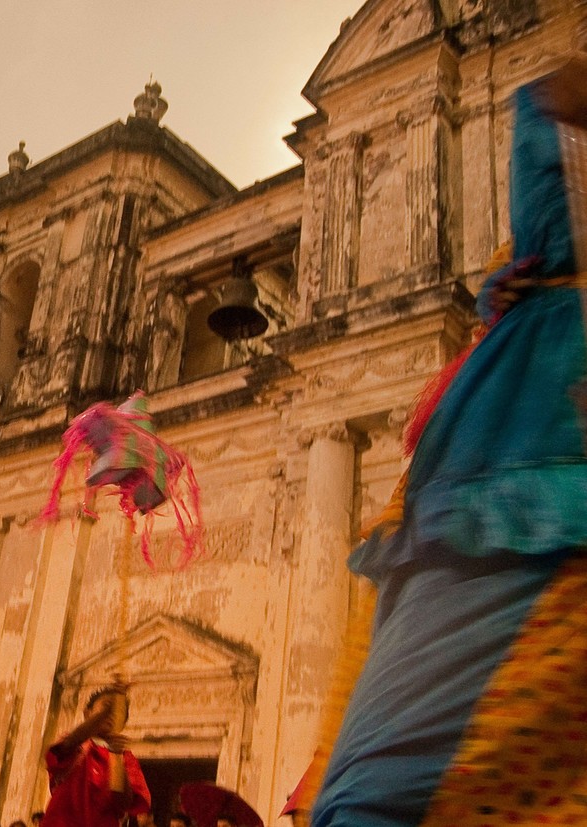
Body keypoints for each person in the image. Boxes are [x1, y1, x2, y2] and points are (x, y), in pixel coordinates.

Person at [310, 51, 587, 827]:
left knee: (380, 786)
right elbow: (555, 94)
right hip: (503, 453)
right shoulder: (534, 291)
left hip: (515, 462)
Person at [43, 685, 151, 827]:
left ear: (123, 723)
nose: (112, 713)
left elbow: (123, 802)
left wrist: (116, 754)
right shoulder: (76, 743)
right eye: (106, 705)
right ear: (87, 713)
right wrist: (107, 711)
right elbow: (67, 746)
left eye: (119, 711)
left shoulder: (126, 758)